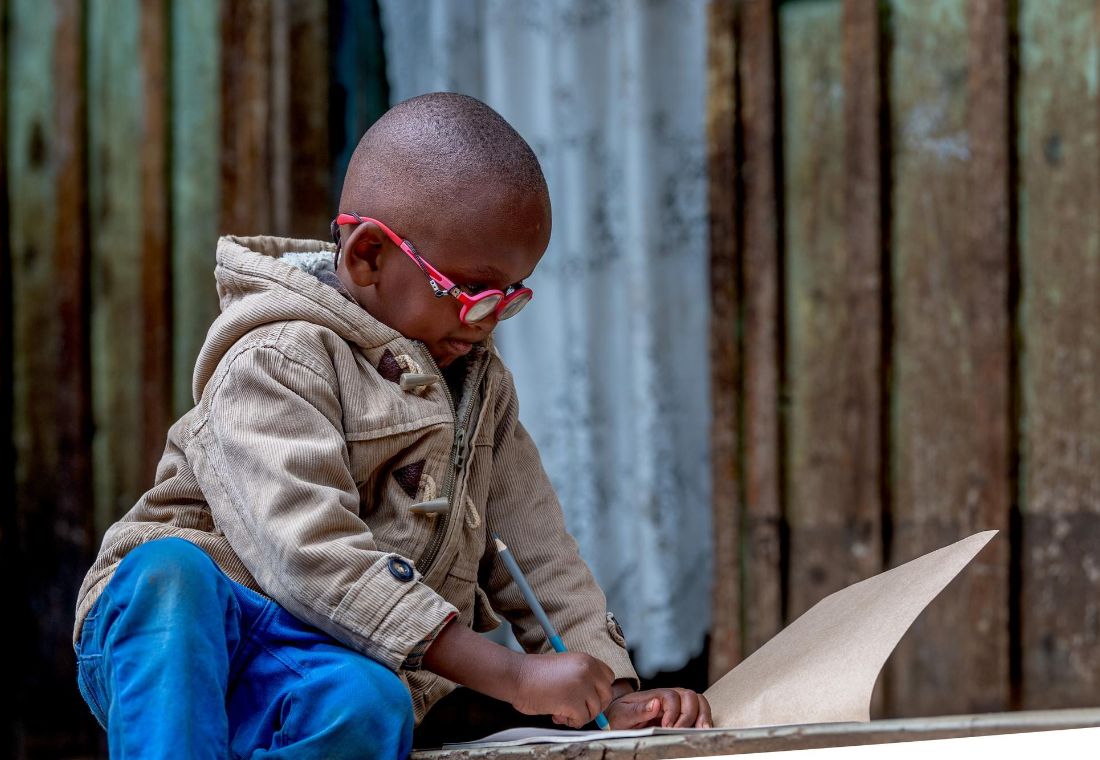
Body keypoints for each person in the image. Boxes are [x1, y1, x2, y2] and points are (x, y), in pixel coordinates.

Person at [73, 92, 712, 760]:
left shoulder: (480, 389)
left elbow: (538, 547)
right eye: (470, 292)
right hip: (183, 632)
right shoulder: (276, 358)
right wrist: (514, 676)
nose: (485, 321)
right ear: (369, 257)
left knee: (372, 704)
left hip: (317, 663)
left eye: (510, 297)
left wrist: (608, 687)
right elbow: (309, 556)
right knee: (170, 573)